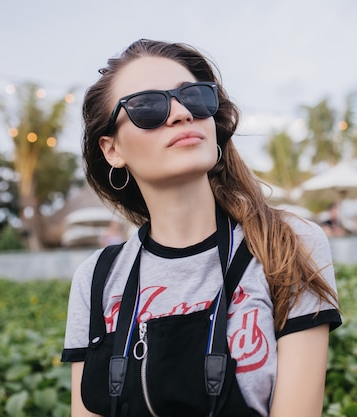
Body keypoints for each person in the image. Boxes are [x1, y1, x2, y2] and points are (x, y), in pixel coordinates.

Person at [61, 39, 341, 417]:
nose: (180, 113)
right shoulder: (96, 278)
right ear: (112, 150)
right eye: (147, 107)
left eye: (194, 97)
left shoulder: (287, 243)